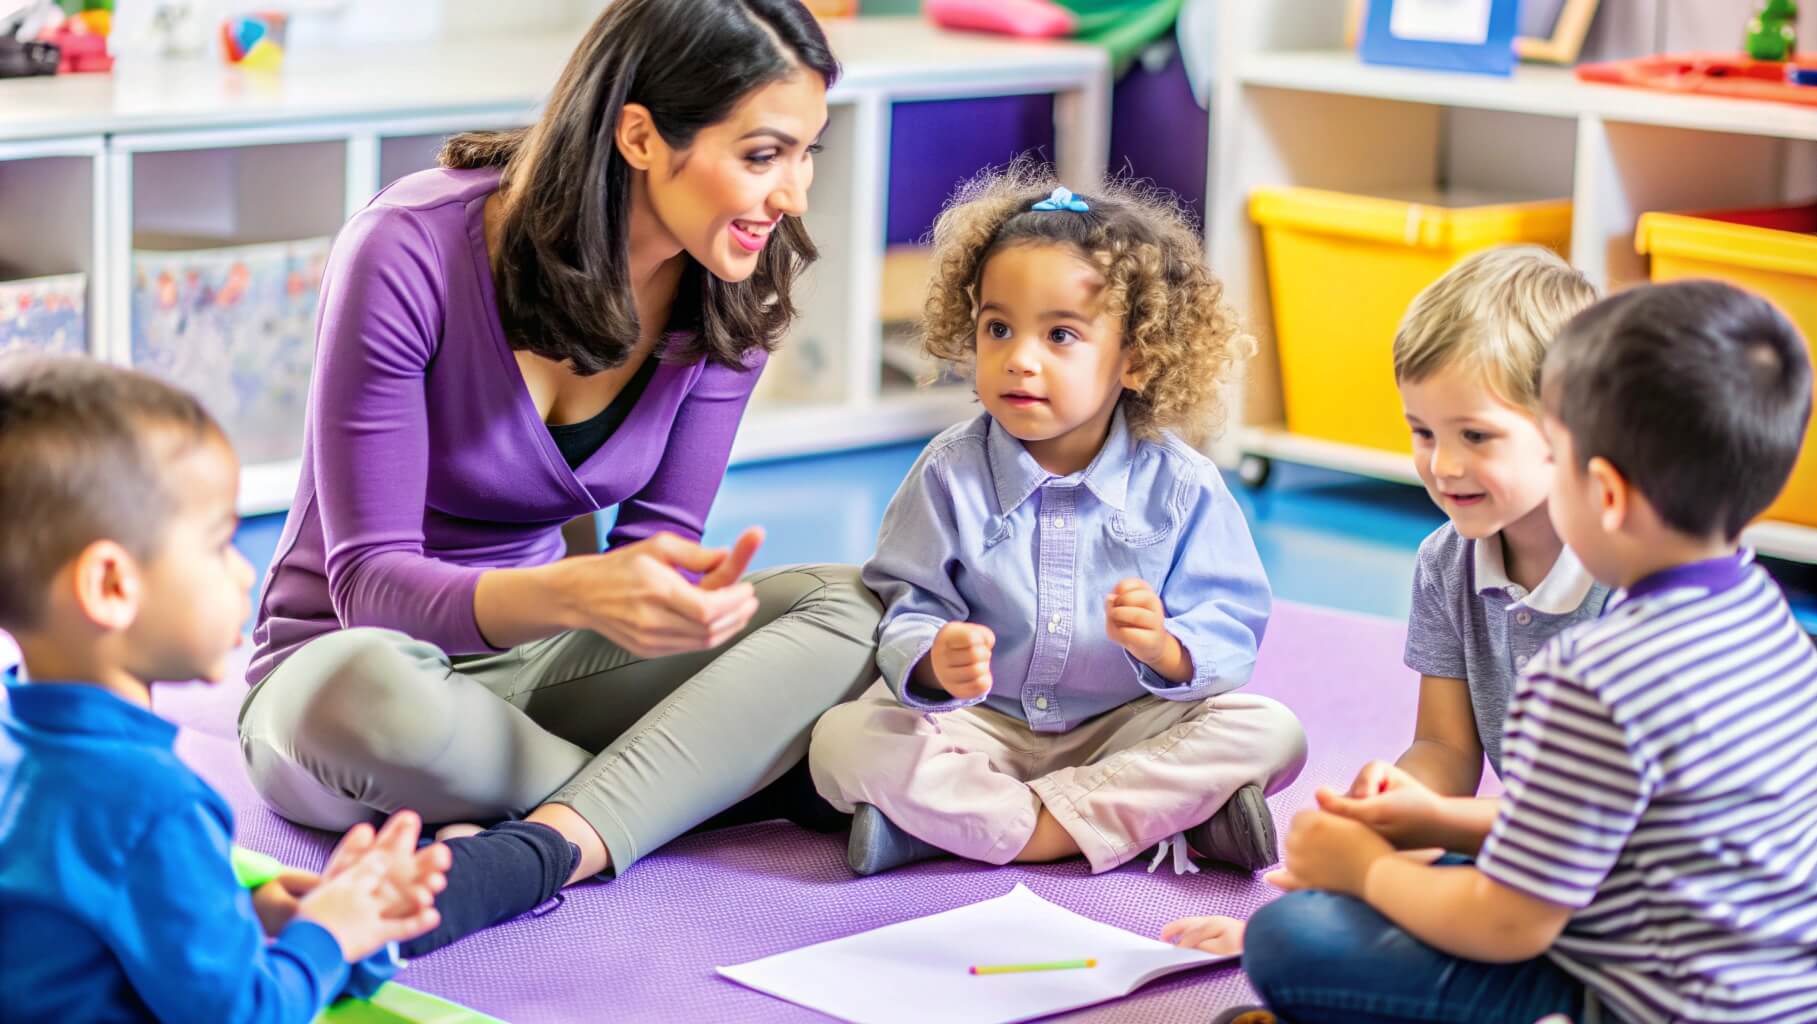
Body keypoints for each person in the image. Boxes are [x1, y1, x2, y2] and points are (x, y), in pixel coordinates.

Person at [236, 0, 881, 955]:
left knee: (854, 606)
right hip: (355, 670)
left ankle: (539, 848)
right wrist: (580, 595)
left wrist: (675, 601)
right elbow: (366, 583)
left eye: (806, 153)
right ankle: (702, 786)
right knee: (359, 692)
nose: (792, 194)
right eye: (762, 156)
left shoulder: (733, 280)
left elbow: (655, 548)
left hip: (545, 673)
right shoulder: (408, 249)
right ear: (640, 136)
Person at [1181, 281, 1817, 1024]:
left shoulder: (1594, 674)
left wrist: (1365, 873)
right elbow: (1619, 828)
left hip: (1639, 997)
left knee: (1290, 938)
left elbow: (1510, 924)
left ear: (1603, 491)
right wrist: (1431, 821)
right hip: (1768, 992)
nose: (1444, 465)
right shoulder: (1767, 619)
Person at [808, 167, 1307, 877]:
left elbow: (1230, 624)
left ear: (1135, 359)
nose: (1019, 360)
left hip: (1128, 727)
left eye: (1060, 334)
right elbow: (906, 601)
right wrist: (934, 658)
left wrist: (1168, 649)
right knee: (842, 738)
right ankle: (1146, 822)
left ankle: (967, 829)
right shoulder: (949, 472)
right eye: (998, 329)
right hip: (983, 727)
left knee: (1272, 731)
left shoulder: (1182, 484)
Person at [0, 355, 450, 1022]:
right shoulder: (152, 804)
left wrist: (256, 911)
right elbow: (247, 1013)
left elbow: (92, 919)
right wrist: (330, 934)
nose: (245, 573)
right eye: (218, 546)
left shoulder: (20, 748)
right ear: (112, 586)